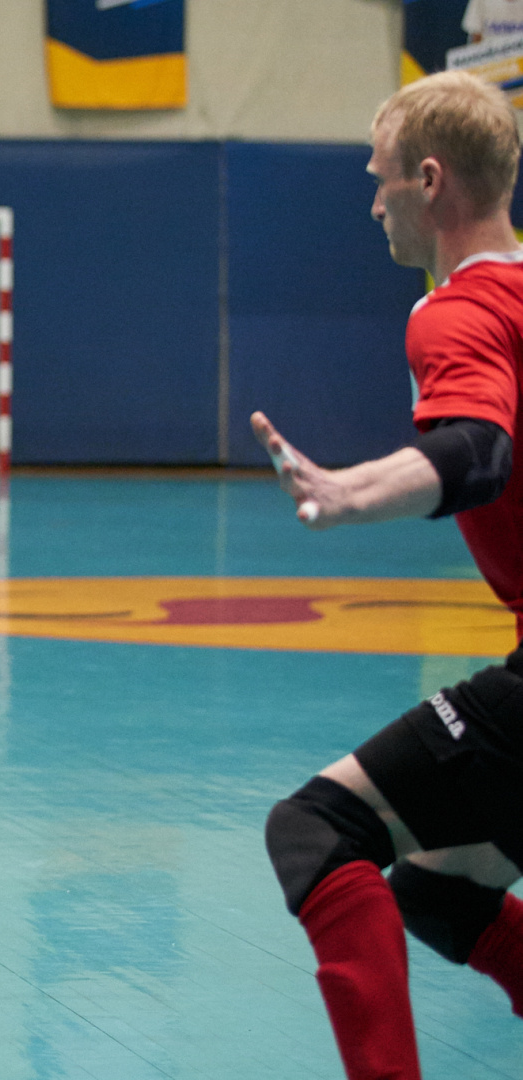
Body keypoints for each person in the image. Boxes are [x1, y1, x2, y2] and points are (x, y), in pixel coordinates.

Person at [256, 71, 523, 1080]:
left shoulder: (454, 313)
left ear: (430, 180)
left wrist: (348, 494)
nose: (373, 205)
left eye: (379, 180)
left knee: (317, 827)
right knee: (441, 890)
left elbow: (480, 452)